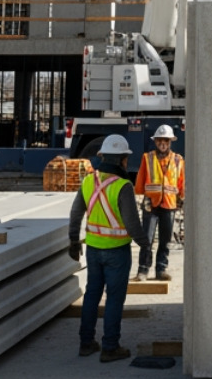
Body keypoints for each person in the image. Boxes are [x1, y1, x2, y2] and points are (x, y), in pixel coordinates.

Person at [67, 135, 147, 361]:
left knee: (92, 294)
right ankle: (110, 347)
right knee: (114, 298)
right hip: (117, 252)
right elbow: (132, 224)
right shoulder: (123, 186)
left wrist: (73, 241)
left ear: (102, 157)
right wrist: (145, 245)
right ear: (122, 160)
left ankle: (86, 343)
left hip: (93, 249)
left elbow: (75, 215)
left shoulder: (87, 181)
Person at [135, 124, 185, 282]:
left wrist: (182, 200)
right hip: (151, 204)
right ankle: (143, 270)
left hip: (169, 205)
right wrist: (139, 199)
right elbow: (140, 182)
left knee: (165, 240)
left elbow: (181, 182)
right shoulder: (147, 158)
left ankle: (161, 269)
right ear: (155, 142)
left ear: (170, 142)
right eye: (160, 141)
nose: (162, 143)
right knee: (147, 239)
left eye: (166, 141)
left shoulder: (178, 160)